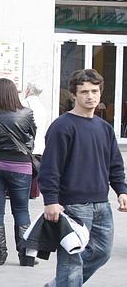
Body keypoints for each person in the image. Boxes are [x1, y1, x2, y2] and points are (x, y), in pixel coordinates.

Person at [40, 69, 127, 287]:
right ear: (74, 95)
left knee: (101, 253)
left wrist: (121, 189)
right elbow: (50, 167)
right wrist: (50, 200)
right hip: (73, 204)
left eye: (95, 91)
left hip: (101, 203)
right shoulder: (62, 126)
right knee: (71, 260)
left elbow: (115, 163)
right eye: (85, 91)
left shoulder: (104, 128)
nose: (91, 96)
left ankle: (58, 284)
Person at [0, 78, 37, 267]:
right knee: (21, 210)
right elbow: (30, 138)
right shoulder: (26, 113)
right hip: (19, 165)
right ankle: (26, 256)